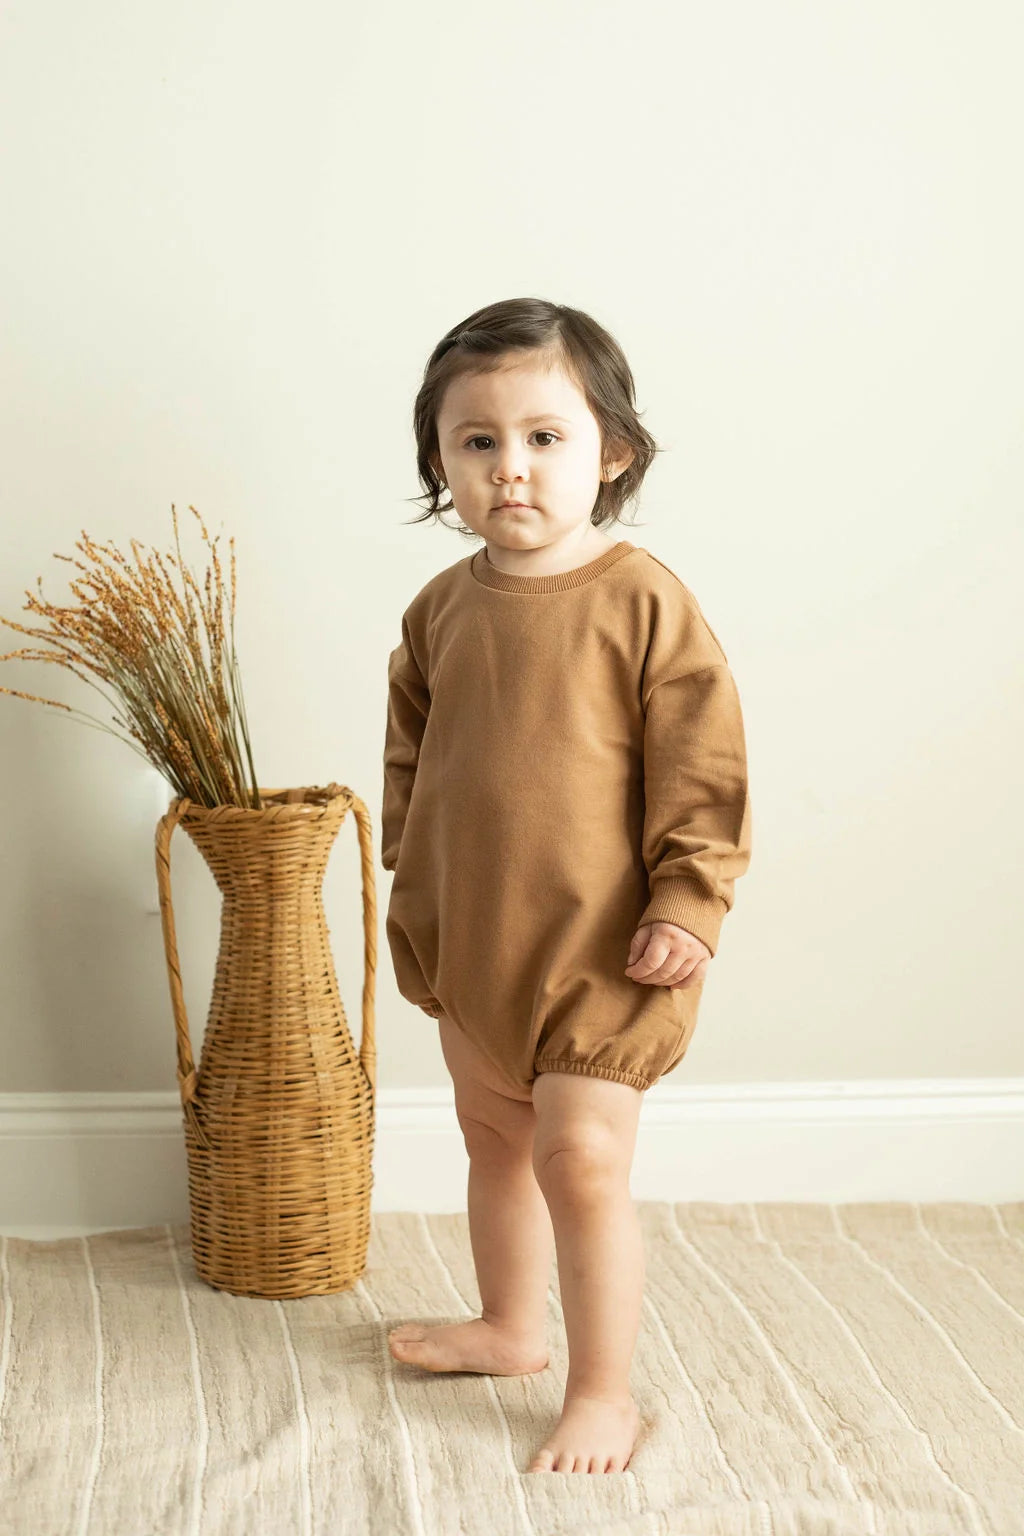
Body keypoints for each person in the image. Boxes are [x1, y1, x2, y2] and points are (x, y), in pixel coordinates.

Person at [380, 296, 752, 1475]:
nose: (510, 471)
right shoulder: (440, 610)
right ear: (440, 460)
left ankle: (604, 1390)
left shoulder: (642, 601)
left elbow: (704, 763)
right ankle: (509, 1326)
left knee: (580, 1162)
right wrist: (412, 866)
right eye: (475, 442)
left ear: (612, 453)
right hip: (478, 935)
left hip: (606, 947)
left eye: (545, 438)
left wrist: (687, 904)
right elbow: (416, 751)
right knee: (491, 1139)